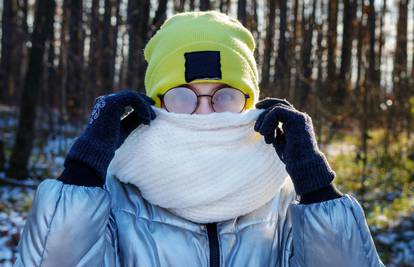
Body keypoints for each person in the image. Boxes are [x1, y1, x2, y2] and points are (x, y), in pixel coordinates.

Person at [14, 11, 384, 267]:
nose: (204, 113)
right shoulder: (114, 196)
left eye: (225, 96)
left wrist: (319, 193)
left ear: (250, 104)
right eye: (182, 96)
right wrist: (81, 176)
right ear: (154, 104)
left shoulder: (284, 199)